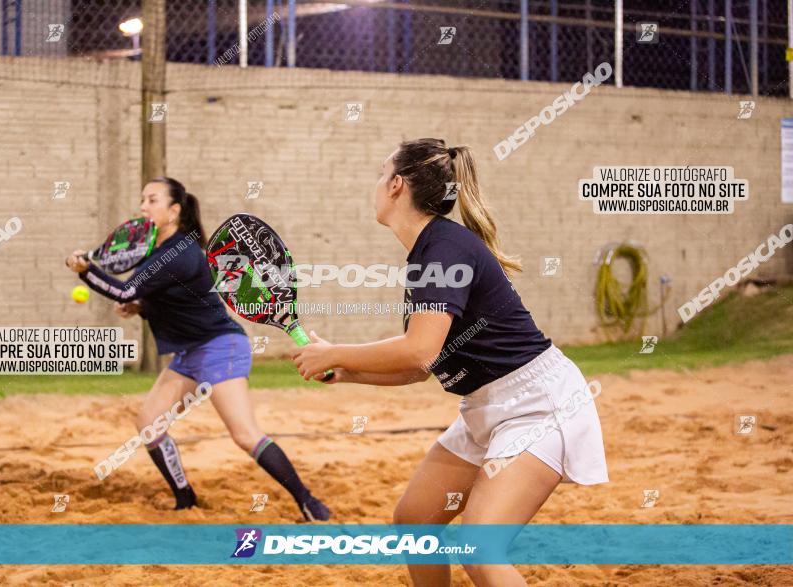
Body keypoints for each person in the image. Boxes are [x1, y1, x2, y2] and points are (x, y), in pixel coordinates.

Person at [292, 139, 607, 585]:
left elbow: (418, 349)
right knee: (416, 523)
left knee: (480, 550)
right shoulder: (428, 251)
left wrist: (335, 351)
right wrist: (348, 372)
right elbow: (424, 364)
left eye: (381, 174)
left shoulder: (443, 248)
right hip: (486, 405)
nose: (376, 184)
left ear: (397, 185)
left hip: (537, 403)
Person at [66, 176, 330, 521]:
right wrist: (142, 307)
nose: (143, 207)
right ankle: (185, 497)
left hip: (221, 348)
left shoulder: (179, 252)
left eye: (153, 200)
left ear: (174, 211)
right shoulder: (161, 251)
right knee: (149, 424)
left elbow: (125, 291)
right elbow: (167, 299)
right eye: (142, 200)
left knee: (244, 435)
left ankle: (309, 502)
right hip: (191, 352)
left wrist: (87, 272)